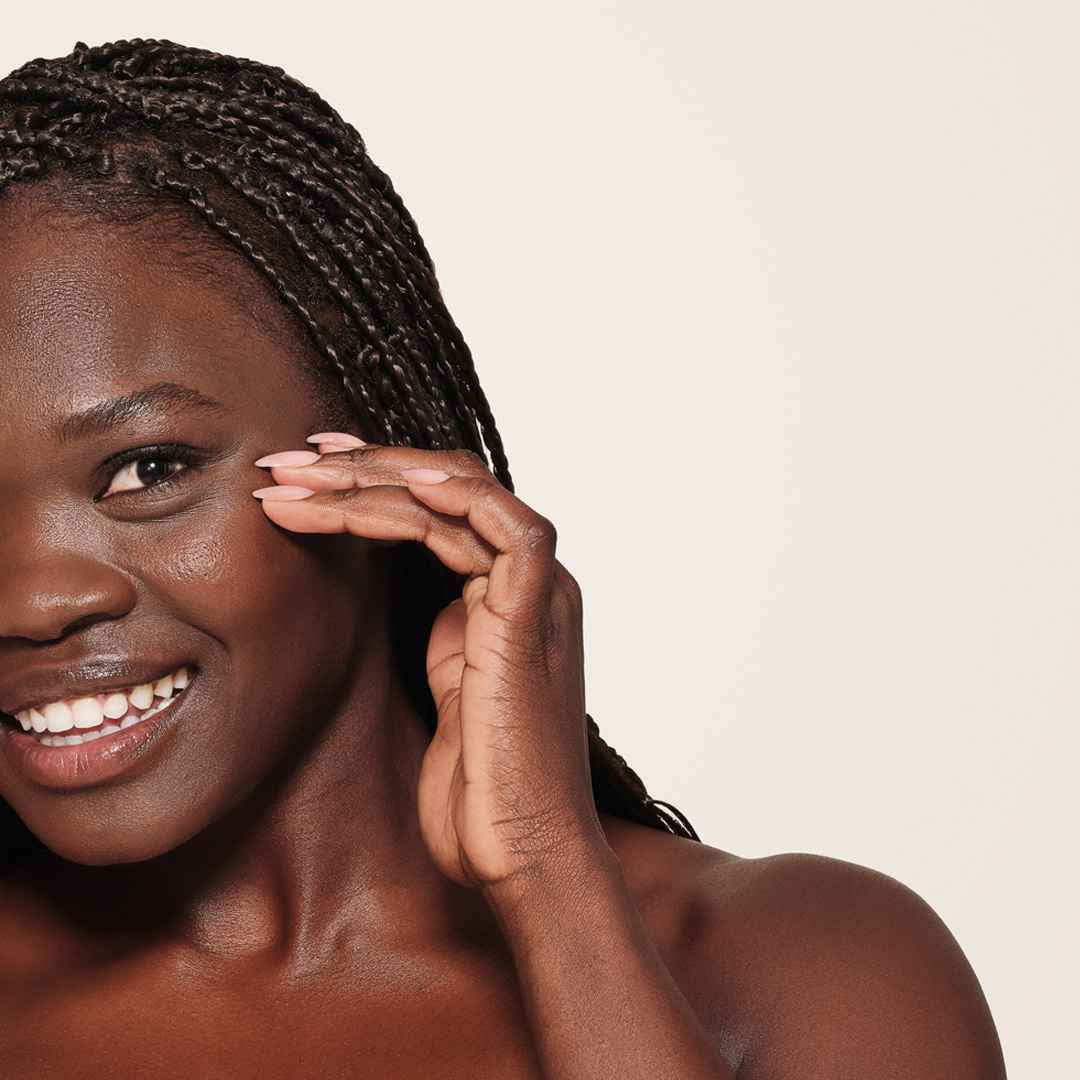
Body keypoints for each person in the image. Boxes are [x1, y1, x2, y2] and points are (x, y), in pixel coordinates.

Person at [0, 38, 1005, 1078]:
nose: (28, 599)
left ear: (369, 456)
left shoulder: (807, 969)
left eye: (147, 469)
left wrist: (549, 877)